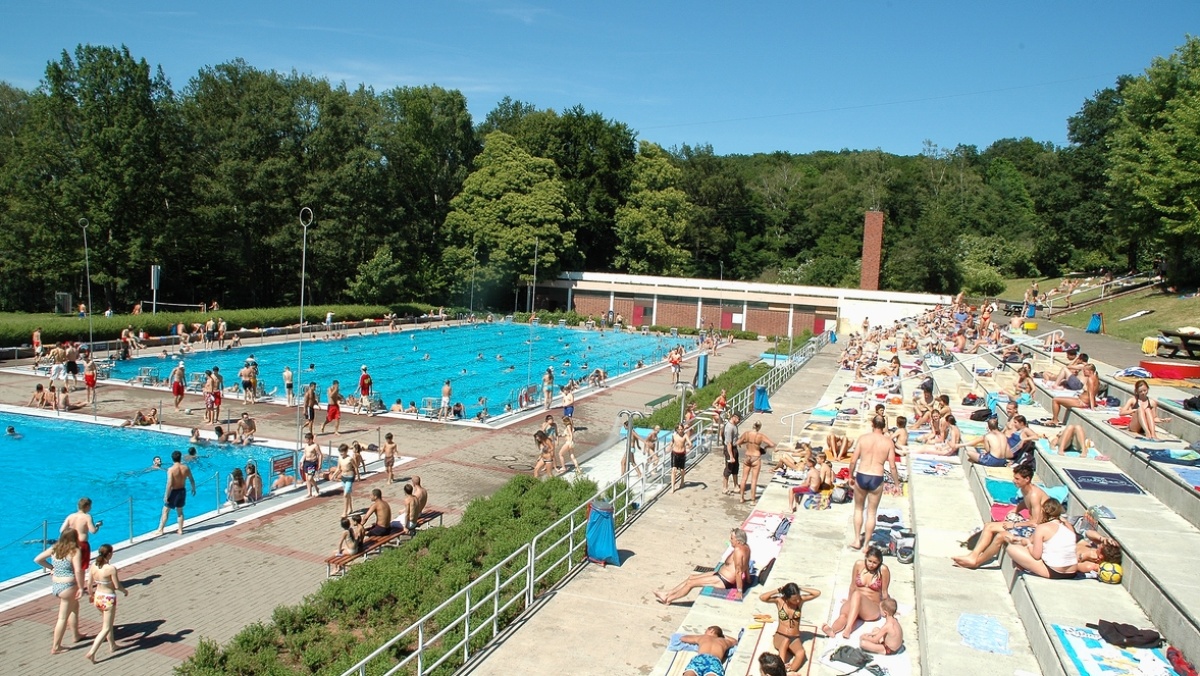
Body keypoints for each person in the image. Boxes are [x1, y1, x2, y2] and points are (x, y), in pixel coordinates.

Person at [952, 464, 1048, 569]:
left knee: (1000, 535)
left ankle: (977, 562)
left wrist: (1014, 524)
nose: (1014, 481)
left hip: (1036, 530)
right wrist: (1016, 509)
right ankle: (973, 556)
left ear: (1027, 479)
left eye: (1017, 479)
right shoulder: (1026, 489)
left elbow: (1036, 522)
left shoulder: (1034, 495)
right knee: (989, 526)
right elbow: (1026, 502)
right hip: (1028, 524)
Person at [654, 528, 750, 605]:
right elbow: (746, 565)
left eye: (732, 538)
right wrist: (748, 579)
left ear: (738, 541)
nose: (730, 540)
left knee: (691, 583)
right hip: (720, 575)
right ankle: (667, 594)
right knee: (691, 578)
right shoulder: (746, 547)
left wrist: (739, 591)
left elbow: (738, 571)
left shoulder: (738, 551)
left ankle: (668, 599)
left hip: (723, 580)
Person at [849, 417, 898, 552]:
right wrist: (896, 483)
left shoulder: (863, 438)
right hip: (876, 476)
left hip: (862, 474)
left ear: (872, 424)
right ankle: (866, 546)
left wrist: (850, 475)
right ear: (884, 426)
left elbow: (853, 461)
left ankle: (857, 540)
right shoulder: (888, 442)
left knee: (858, 509)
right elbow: (892, 466)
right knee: (871, 512)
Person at [34, 528, 85, 655]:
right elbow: (78, 570)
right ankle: (56, 647)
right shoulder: (74, 551)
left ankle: (76, 635)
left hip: (56, 584)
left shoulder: (55, 548)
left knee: (74, 607)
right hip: (68, 585)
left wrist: (51, 568)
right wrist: (81, 587)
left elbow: (38, 559)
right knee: (62, 617)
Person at [822, 547, 892, 639]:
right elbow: (852, 586)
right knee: (843, 615)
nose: (871, 565)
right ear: (865, 558)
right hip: (856, 601)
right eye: (869, 561)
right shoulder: (858, 565)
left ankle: (848, 628)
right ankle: (832, 630)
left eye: (875, 563)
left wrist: (889, 610)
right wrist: (849, 600)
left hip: (871, 608)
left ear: (880, 562)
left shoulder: (883, 570)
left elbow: (884, 592)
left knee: (857, 594)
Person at [1005, 498, 1079, 579]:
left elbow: (1036, 556)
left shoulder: (1042, 528)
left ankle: (1021, 568)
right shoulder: (1069, 527)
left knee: (1012, 548)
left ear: (1043, 511)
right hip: (1072, 572)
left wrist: (1028, 544)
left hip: (1054, 572)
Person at [760, 582, 821, 672]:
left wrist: (800, 588)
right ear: (787, 598)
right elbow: (763, 597)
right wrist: (777, 590)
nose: (797, 601)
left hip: (794, 637)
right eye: (794, 599)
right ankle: (780, 668)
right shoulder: (779, 601)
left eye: (797, 598)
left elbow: (817, 593)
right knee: (785, 641)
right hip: (780, 635)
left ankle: (790, 671)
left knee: (801, 653)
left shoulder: (800, 600)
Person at [84, 543, 128, 663]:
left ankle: (112, 645)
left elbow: (88, 584)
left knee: (107, 623)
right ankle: (92, 652)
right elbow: (117, 585)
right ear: (109, 554)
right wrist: (125, 591)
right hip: (108, 598)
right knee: (106, 627)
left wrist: (91, 595)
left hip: (98, 597)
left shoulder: (93, 566)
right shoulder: (110, 569)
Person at [156, 449, 196, 536]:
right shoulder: (186, 468)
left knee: (165, 511)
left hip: (174, 492)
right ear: (180, 458)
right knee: (180, 511)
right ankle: (180, 530)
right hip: (182, 491)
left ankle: (161, 530)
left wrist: (166, 496)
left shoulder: (171, 470)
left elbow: (169, 484)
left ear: (172, 459)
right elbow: (191, 479)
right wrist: (193, 488)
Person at [60, 497, 102, 579]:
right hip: (82, 545)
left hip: (71, 544)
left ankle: (72, 584)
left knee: (71, 566)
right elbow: (93, 531)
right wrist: (97, 526)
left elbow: (61, 530)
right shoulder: (87, 517)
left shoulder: (70, 516)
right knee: (81, 568)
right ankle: (81, 587)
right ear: (87, 506)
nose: (91, 508)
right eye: (90, 506)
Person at [737, 420, 775, 503]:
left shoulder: (746, 434)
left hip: (747, 456)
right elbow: (772, 444)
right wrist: (765, 447)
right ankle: (752, 500)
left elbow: (738, 442)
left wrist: (745, 442)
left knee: (744, 478)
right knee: (754, 480)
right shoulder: (760, 436)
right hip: (756, 457)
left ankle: (741, 498)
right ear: (759, 427)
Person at [334, 443, 357, 517]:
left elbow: (355, 467)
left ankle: (345, 512)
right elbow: (338, 468)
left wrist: (358, 476)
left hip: (350, 477)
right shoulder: (340, 458)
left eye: (342, 452)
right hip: (343, 477)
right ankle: (350, 508)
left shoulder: (350, 459)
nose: (341, 453)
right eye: (340, 452)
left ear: (346, 451)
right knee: (348, 493)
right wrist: (334, 475)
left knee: (345, 494)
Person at [721, 411, 741, 495]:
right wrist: (731, 456)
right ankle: (725, 487)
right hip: (730, 449)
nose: (739, 421)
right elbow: (728, 443)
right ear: (734, 417)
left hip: (734, 448)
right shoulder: (729, 428)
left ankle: (736, 486)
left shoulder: (734, 425)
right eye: (739, 419)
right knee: (729, 468)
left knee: (735, 467)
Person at [670, 423, 692, 493]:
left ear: (683, 429)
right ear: (676, 429)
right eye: (679, 429)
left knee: (682, 470)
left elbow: (690, 443)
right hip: (674, 453)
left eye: (681, 429)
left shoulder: (685, 436)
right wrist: (669, 447)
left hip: (682, 454)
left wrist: (688, 447)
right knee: (674, 470)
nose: (680, 431)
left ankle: (682, 481)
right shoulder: (674, 435)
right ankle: (673, 487)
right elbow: (672, 442)